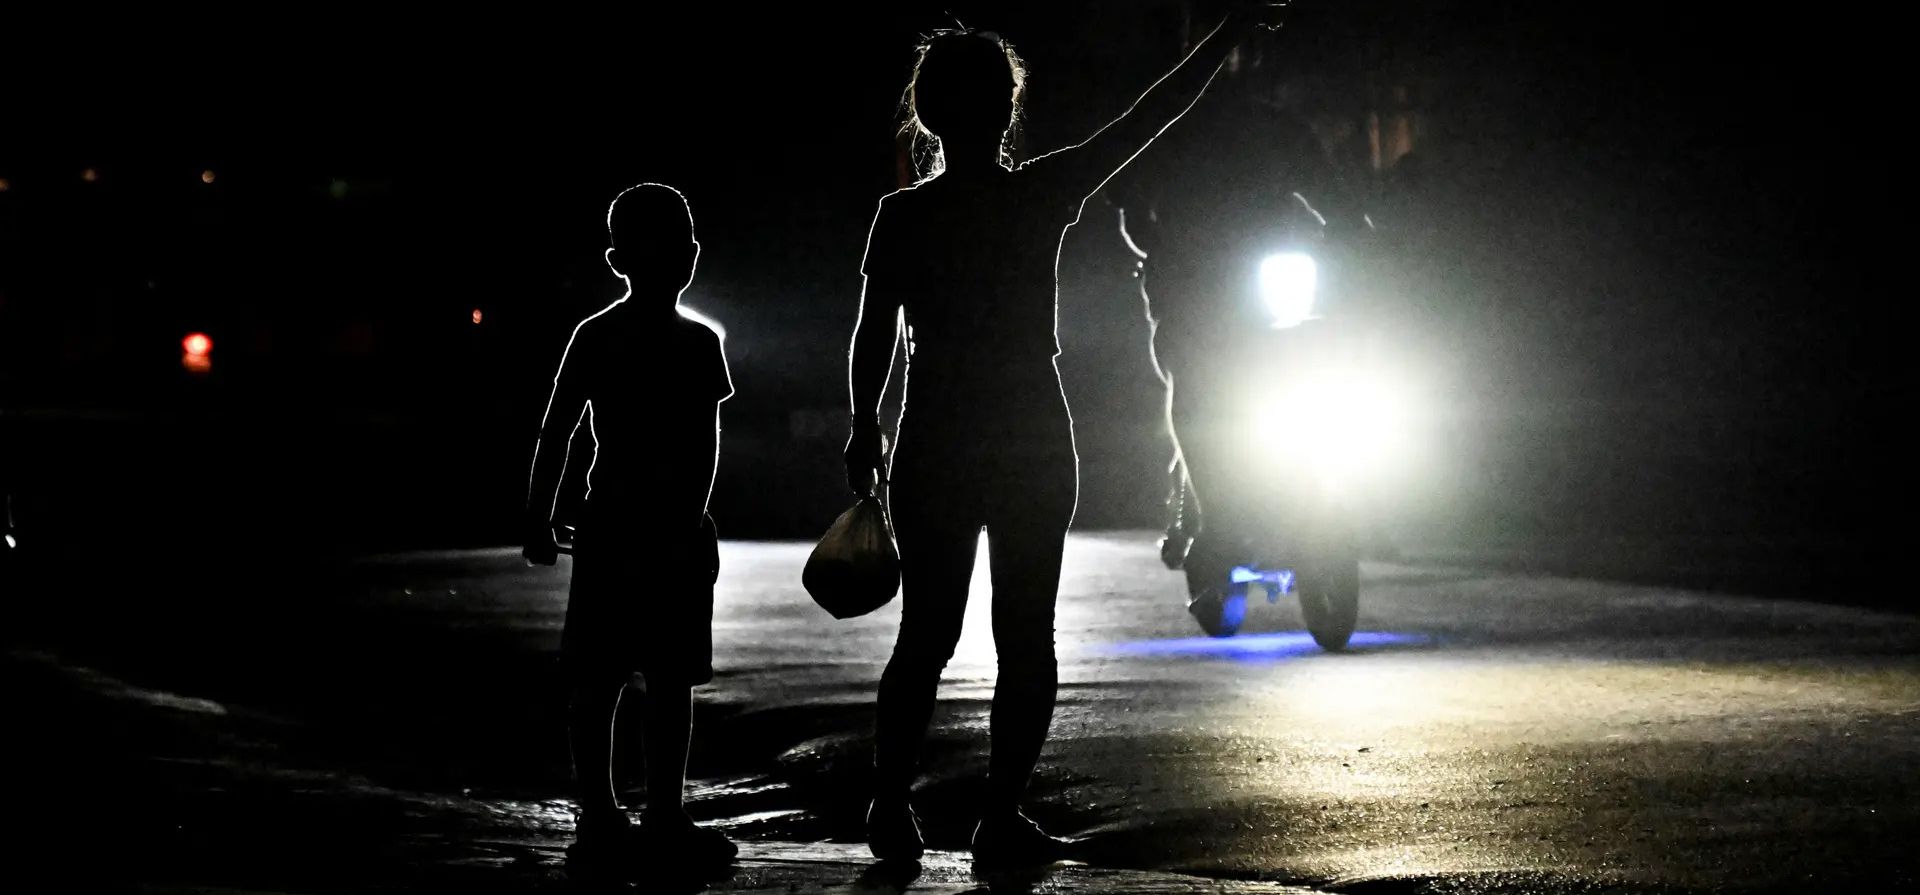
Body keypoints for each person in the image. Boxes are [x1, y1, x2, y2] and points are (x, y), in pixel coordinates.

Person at [844, 4, 1286, 868]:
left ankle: (891, 804)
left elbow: (871, 335)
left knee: (925, 638)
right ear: (1007, 110)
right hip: (1029, 433)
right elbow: (1149, 116)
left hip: (937, 430)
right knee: (1025, 635)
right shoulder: (1040, 193)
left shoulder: (904, 215)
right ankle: (998, 813)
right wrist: (1227, 36)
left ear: (928, 112)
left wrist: (865, 428)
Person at [522, 183, 737, 878]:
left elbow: (556, 431)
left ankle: (601, 814)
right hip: (669, 530)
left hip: (611, 525)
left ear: (618, 259)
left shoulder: (597, 336)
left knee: (600, 676)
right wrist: (695, 521)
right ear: (691, 258)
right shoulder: (701, 343)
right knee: (669, 681)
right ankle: (662, 815)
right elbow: (705, 450)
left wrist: (538, 515)